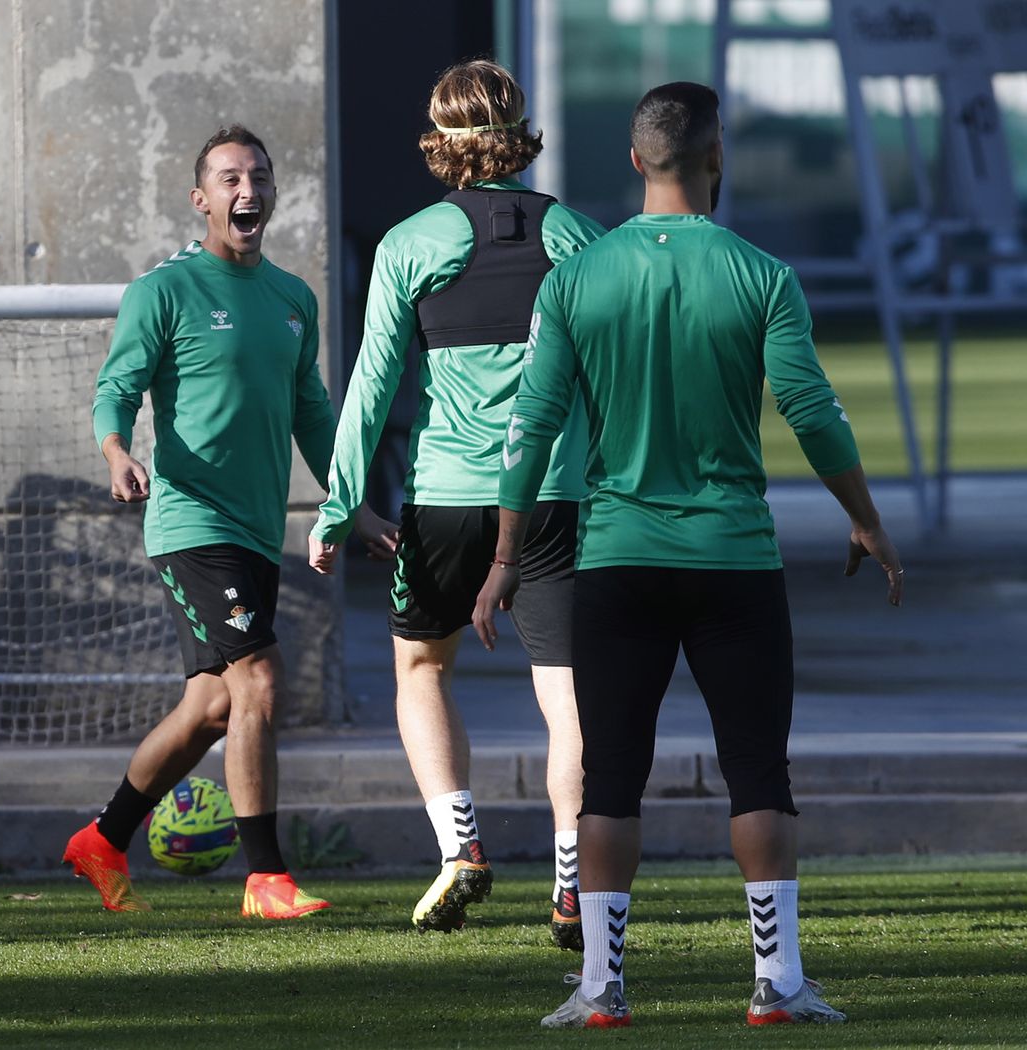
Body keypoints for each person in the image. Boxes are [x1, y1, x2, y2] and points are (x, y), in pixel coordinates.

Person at [471, 81, 903, 1029]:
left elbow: (530, 425)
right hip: (733, 562)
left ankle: (601, 988)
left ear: (635, 162)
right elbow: (812, 412)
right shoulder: (761, 275)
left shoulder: (577, 277)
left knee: (610, 774)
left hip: (619, 561)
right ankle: (776, 982)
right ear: (717, 160)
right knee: (759, 770)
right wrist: (865, 519)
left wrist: (505, 554)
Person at [64, 125, 395, 919]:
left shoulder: (292, 298)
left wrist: (354, 505)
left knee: (213, 705)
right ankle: (266, 878)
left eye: (259, 176)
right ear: (201, 199)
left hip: (254, 530)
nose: (247, 191)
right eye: (229, 179)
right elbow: (116, 389)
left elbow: (313, 416)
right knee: (261, 680)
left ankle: (103, 839)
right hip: (190, 522)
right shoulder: (164, 291)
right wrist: (116, 454)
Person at [309, 58, 602, 943]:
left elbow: (369, 389)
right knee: (569, 700)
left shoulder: (409, 242)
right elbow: (612, 380)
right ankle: (570, 881)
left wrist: (337, 507)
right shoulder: (580, 236)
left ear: (441, 142)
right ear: (521, 132)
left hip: (444, 499)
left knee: (422, 669)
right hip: (553, 498)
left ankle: (460, 849)